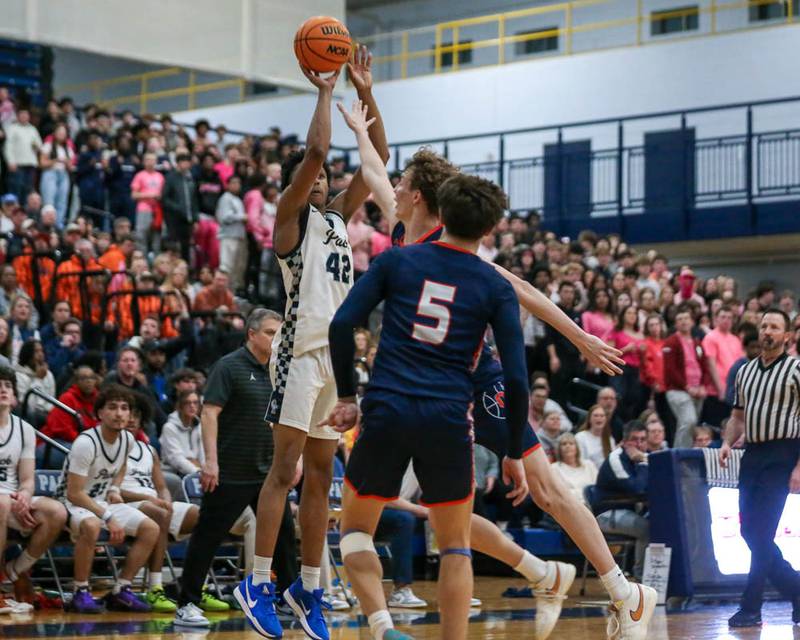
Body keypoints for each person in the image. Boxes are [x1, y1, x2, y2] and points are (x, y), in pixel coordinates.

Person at [345, 105, 655, 639]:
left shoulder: (452, 247)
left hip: (477, 380)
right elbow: (374, 165)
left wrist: (578, 336)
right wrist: (360, 117)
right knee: (445, 514)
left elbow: (527, 292)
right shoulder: (402, 228)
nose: (390, 186)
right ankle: (540, 571)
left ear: (419, 194)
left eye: (402, 182)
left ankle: (624, 592)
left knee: (546, 487)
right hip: (425, 391)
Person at [325, 172, 529, 640]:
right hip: (448, 418)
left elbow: (342, 325)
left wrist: (346, 397)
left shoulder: (397, 262)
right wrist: (513, 450)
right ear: (490, 228)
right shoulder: (495, 285)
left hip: (387, 409)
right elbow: (516, 379)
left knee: (356, 531)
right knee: (456, 547)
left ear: (440, 212)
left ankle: (381, 626)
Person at [237, 47, 389, 640]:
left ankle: (310, 586)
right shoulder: (290, 220)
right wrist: (325, 93)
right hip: (299, 350)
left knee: (323, 475)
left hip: (337, 357)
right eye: (315, 176)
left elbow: (377, 162)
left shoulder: (336, 219)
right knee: (286, 471)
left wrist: (367, 92)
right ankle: (256, 580)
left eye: (325, 178)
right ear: (298, 184)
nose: (324, 178)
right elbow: (320, 151)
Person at [175, 309, 298, 628]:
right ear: (252, 334)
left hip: (268, 474)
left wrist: (293, 460)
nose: (276, 339)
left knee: (284, 535)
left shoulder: (280, 370)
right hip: (230, 471)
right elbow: (209, 414)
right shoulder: (228, 366)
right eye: (271, 332)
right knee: (207, 536)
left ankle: (288, 599)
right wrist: (210, 462)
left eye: (279, 333)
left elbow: (288, 421)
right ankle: (187, 602)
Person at [720, 309, 800, 628]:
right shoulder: (746, 371)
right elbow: (737, 418)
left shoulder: (796, 369)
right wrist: (727, 443)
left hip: (783, 454)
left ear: (787, 336)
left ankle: (751, 607)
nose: (767, 331)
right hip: (752, 454)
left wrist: (798, 467)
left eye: (775, 327)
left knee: (762, 532)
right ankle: (797, 589)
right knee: (749, 531)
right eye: (764, 325)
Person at [120, 396, 235, 614]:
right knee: (159, 513)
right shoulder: (112, 447)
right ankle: (155, 588)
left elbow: (161, 485)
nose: (131, 419)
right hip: (127, 505)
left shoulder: (148, 450)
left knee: (204, 516)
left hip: (154, 503)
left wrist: (164, 498)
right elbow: (109, 489)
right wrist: (156, 501)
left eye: (136, 415)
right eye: (128, 414)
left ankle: (194, 584)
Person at [55, 384, 159, 613]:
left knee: (151, 528)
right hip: (70, 502)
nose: (120, 413)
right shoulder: (86, 443)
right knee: (92, 525)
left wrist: (114, 488)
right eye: (112, 407)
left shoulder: (128, 440)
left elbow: (121, 467)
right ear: (99, 413)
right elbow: (74, 493)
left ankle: (121, 590)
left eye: (124, 408)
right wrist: (108, 515)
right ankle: (80, 592)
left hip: (100, 502)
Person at [0, 366, 67, 606]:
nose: (3, 389)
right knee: (2, 503)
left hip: (11, 498)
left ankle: (13, 571)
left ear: (15, 396)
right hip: (2, 502)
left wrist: (25, 496)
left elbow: (27, 479)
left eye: (8, 385)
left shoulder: (24, 429)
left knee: (57, 512)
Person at [594, 421, 650, 580]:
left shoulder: (643, 457)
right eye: (634, 439)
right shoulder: (616, 458)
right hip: (605, 515)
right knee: (646, 528)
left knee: (661, 525)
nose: (639, 444)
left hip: (629, 511)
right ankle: (642, 579)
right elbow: (637, 488)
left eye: (643, 439)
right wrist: (643, 462)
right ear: (625, 442)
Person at [664, 306, 712, 447]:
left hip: (697, 390)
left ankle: (686, 454)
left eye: (686, 318)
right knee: (689, 421)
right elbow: (670, 370)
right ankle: (678, 455)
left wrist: (703, 385)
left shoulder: (697, 342)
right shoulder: (671, 342)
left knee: (690, 426)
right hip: (678, 390)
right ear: (675, 324)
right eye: (680, 319)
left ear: (692, 322)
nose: (683, 322)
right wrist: (686, 387)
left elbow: (704, 366)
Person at [162, 152, 199, 263]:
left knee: (186, 247)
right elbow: (165, 198)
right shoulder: (171, 178)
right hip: (174, 219)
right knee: (173, 246)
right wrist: (177, 208)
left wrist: (195, 218)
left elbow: (194, 200)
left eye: (188, 162)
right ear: (178, 163)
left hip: (187, 219)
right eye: (183, 162)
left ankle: (185, 270)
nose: (186, 165)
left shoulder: (190, 179)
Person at [216, 174, 248, 291]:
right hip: (228, 236)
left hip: (238, 236)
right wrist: (242, 217)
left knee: (237, 268)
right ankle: (223, 292)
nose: (236, 185)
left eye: (238, 183)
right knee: (226, 265)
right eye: (233, 183)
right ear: (228, 185)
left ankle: (232, 294)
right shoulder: (226, 198)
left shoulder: (238, 199)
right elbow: (224, 217)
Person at [553, 433, 598, 506]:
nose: (568, 446)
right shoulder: (554, 468)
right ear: (559, 449)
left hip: (593, 504)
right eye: (564, 444)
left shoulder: (589, 464)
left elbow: (597, 487)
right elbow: (559, 493)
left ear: (577, 448)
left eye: (571, 443)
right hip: (569, 506)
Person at [576, 404, 615, 469]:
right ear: (589, 419)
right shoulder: (580, 437)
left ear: (606, 419)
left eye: (602, 416)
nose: (599, 418)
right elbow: (580, 461)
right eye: (595, 416)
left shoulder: (610, 439)